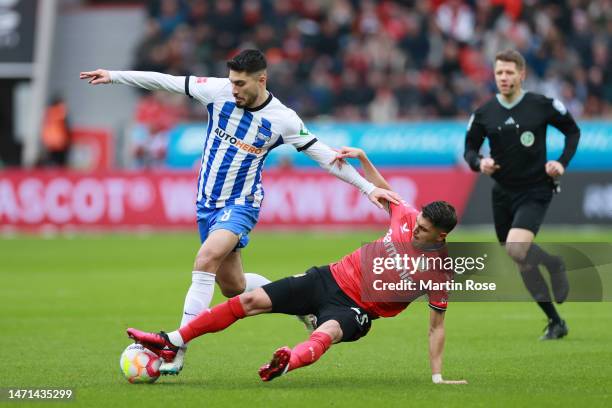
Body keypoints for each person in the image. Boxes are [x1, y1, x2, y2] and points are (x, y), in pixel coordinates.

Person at [80, 49, 400, 374]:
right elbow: (168, 82)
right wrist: (114, 75)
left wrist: (368, 188)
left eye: (241, 84)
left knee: (205, 259)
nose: (234, 90)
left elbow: (326, 157)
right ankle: (299, 306)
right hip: (207, 204)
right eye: (232, 82)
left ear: (261, 80)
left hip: (242, 204)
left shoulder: (283, 119)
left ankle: (175, 350)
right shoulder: (217, 92)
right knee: (232, 285)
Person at [127, 147, 467, 385]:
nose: (415, 229)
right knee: (249, 300)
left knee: (326, 332)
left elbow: (436, 326)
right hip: (328, 277)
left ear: (441, 235)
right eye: (417, 222)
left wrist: (437, 376)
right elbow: (386, 193)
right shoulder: (408, 217)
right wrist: (362, 157)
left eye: (423, 230)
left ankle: (288, 362)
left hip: (357, 309)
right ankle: (172, 339)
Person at [463, 49, 581, 340]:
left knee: (517, 248)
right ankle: (555, 321)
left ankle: (554, 265)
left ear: (521, 74)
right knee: (521, 258)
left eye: (509, 72)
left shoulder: (541, 105)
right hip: (502, 193)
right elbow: (469, 149)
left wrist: (561, 162)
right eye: (499, 73)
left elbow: (572, 132)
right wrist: (480, 163)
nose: (504, 78)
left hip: (536, 188)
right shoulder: (484, 113)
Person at [41, 95, 72, 167]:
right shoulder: (60, 112)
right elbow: (66, 125)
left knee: (52, 162)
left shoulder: (48, 112)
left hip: (50, 142)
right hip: (60, 142)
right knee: (61, 163)